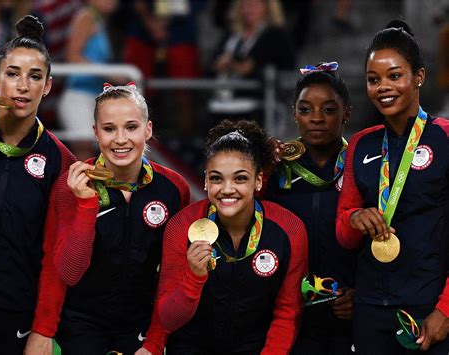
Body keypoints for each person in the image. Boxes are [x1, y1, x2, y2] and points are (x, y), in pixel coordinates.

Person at [45, 82, 190, 354]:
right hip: (80, 324)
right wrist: (87, 205)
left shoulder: (174, 188)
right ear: (95, 133)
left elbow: (171, 276)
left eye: (131, 127)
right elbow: (68, 272)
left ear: (148, 130)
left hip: (141, 324)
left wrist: (155, 342)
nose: (120, 139)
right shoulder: (71, 184)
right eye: (109, 129)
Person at [141, 119, 308, 354]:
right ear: (206, 181)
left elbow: (288, 312)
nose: (227, 189)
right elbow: (167, 319)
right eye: (217, 178)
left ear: (258, 180)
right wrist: (194, 277)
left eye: (240, 178)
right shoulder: (182, 225)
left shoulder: (289, 229)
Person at [336, 19, 449, 354]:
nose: (383, 86)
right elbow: (343, 232)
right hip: (371, 310)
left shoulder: (444, 138)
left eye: (394, 76)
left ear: (419, 77)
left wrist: (445, 309)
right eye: (374, 80)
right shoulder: (361, 144)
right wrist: (355, 218)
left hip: (428, 309)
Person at [0, 15, 75, 355]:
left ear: (47, 86)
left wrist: (44, 329)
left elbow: (56, 258)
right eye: (13, 74)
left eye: (35, 77)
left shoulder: (61, 162)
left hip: (16, 316)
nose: (23, 86)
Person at [265, 62, 357, 355]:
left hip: (348, 312)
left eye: (329, 110)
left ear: (347, 114)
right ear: (294, 114)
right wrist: (262, 170)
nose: (316, 118)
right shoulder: (277, 168)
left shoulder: (363, 166)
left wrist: (362, 294)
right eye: (305, 110)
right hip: (291, 314)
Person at [209, 0, 295, 126]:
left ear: (267, 8)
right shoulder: (231, 34)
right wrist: (218, 65)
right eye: (245, 5)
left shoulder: (276, 35)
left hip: (255, 109)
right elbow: (210, 65)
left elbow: (286, 71)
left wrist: (253, 71)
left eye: (254, 5)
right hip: (221, 105)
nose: (249, 10)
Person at [58, 0, 119, 160]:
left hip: (97, 99)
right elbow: (72, 55)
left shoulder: (101, 21)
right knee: (85, 157)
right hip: (78, 98)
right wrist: (110, 74)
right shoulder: (85, 17)